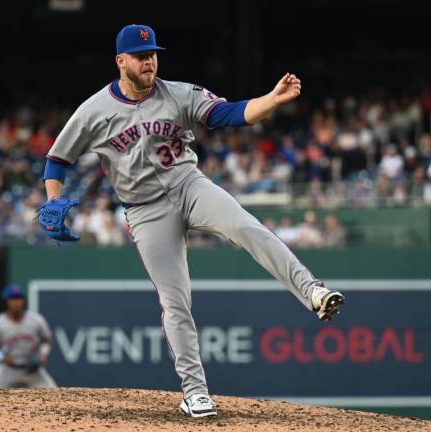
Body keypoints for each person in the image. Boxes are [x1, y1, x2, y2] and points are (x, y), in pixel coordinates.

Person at [38, 24, 344, 418]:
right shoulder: (93, 110)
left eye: (152, 54)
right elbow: (56, 160)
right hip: (145, 210)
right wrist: (53, 199)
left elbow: (230, 114)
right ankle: (195, 393)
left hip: (188, 185)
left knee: (246, 227)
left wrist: (272, 99)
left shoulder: (179, 94)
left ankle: (313, 291)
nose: (149, 61)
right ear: (120, 61)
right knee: (175, 301)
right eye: (140, 56)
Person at [0, 284, 56, 389]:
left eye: (19, 298)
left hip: (32, 368)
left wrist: (42, 355)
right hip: (8, 369)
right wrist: (2, 357)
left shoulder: (36, 320)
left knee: (55, 394)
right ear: (6, 302)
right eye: (12, 299)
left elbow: (47, 340)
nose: (16, 302)